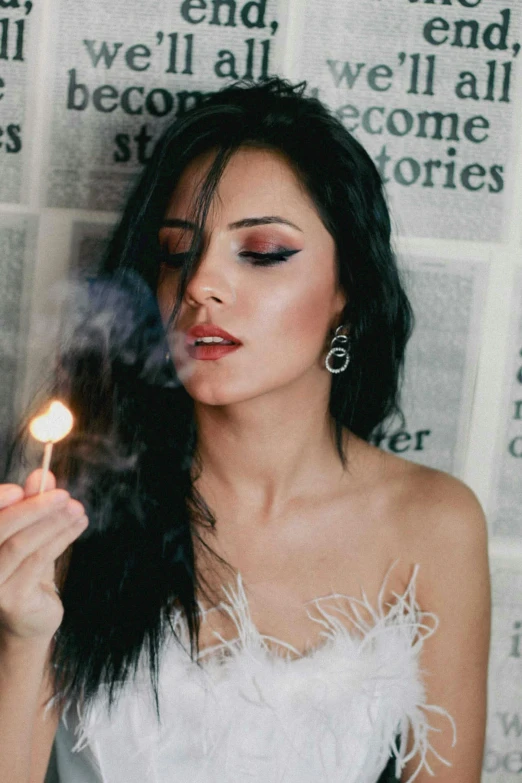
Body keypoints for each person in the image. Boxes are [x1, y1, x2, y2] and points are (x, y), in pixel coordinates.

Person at [0, 78, 490, 783]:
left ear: (348, 287)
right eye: (175, 253)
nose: (200, 284)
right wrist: (20, 635)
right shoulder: (73, 500)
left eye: (260, 251)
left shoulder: (434, 524)